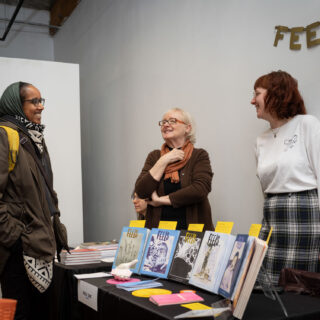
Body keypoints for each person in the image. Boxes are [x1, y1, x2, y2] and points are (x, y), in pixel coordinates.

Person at [0, 82, 69, 320]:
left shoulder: (33, 136)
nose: (41, 107)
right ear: (16, 105)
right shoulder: (4, 134)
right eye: (34, 101)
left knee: (44, 311)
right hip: (19, 245)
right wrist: (14, 235)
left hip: (41, 240)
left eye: (42, 101)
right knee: (21, 313)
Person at [251, 70, 320, 286]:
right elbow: (266, 188)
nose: (252, 100)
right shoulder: (260, 140)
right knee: (265, 283)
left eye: (257, 94)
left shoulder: (307, 124)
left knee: (297, 287)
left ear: (276, 94)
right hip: (272, 216)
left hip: (304, 217)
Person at [135, 108, 214, 230]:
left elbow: (200, 189)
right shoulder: (154, 157)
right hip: (159, 238)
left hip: (192, 237)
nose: (166, 124)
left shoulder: (199, 155)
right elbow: (141, 190)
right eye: (163, 122)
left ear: (187, 128)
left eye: (172, 121)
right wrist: (164, 160)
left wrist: (161, 200)